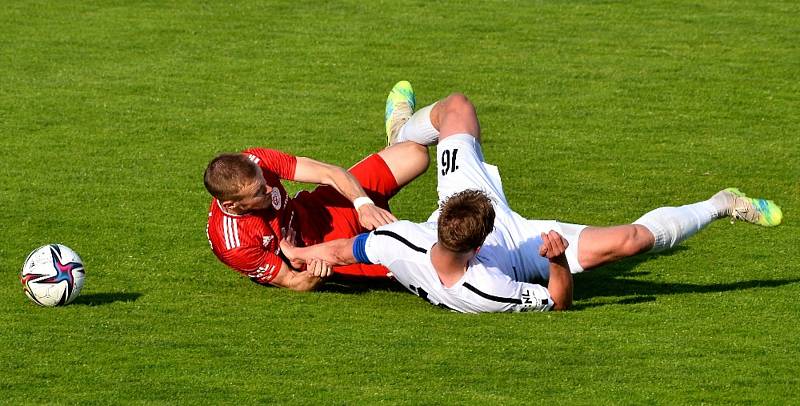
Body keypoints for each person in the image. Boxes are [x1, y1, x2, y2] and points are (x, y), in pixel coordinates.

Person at [279, 87, 784, 312]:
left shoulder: (402, 241)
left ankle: (401, 132)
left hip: (462, 209)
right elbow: (560, 304)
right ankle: (722, 203)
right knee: (631, 242)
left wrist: (295, 254)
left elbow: (347, 250)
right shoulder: (487, 291)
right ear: (478, 246)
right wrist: (557, 261)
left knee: (455, 108)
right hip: (523, 247)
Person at [204, 81, 425, 291]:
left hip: (321, 210)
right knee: (426, 263)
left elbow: (329, 173)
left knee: (414, 154)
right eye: (259, 192)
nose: (269, 190)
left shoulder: (256, 160)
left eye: (264, 182)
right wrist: (316, 273)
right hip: (326, 252)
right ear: (232, 205)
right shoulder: (233, 244)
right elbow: (293, 282)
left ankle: (398, 137)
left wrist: (363, 204)